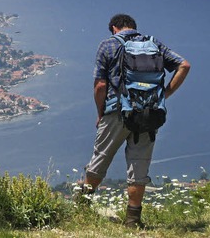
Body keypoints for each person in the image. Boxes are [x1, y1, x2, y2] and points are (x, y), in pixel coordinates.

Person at [79, 14, 190, 228]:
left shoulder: (108, 45)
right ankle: (133, 220)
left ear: (113, 27)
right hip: (148, 114)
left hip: (117, 112)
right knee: (139, 167)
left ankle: (81, 206)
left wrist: (100, 112)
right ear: (133, 27)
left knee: (100, 159)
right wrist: (164, 94)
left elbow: (100, 85)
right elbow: (184, 65)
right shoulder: (153, 43)